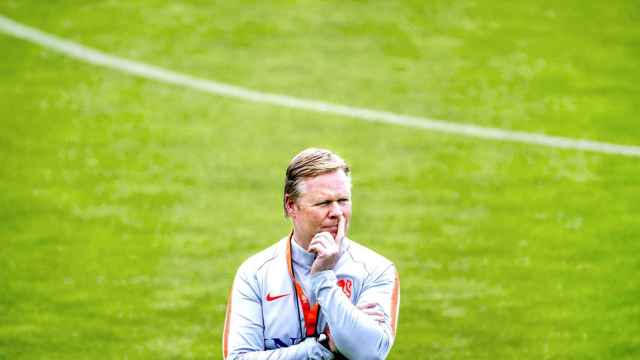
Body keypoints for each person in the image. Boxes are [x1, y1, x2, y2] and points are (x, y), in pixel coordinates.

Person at [222, 148, 400, 360]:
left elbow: (369, 352)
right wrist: (322, 347)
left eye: (343, 200)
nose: (337, 212)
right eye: (324, 203)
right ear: (291, 206)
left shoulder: (376, 270)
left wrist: (323, 277)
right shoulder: (255, 273)